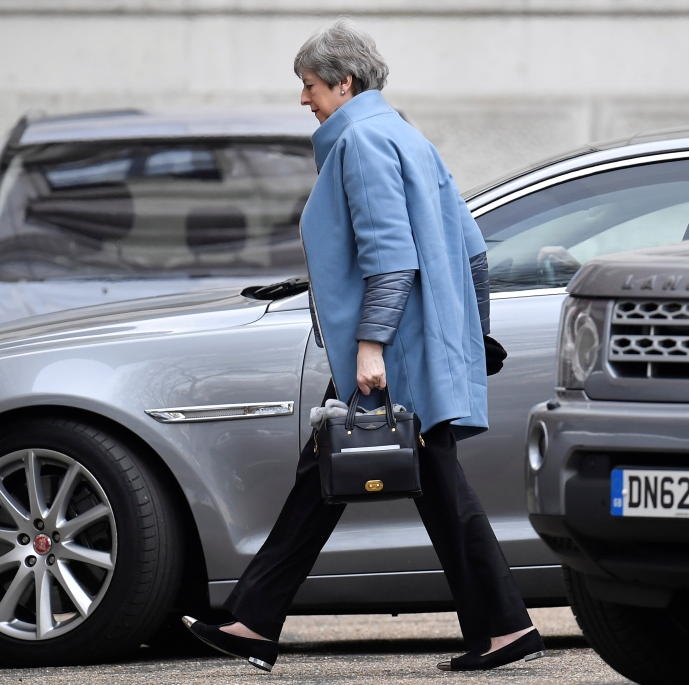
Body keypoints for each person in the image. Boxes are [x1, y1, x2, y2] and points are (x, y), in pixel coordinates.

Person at [182, 18, 546, 673]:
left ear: (344, 84)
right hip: (415, 345)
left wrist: (372, 346)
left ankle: (500, 626)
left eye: (311, 85)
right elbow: (473, 253)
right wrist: (471, 335)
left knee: (386, 477)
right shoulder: (407, 136)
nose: (304, 100)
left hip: (390, 351)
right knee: (336, 476)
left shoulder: (361, 144)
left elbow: (390, 257)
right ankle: (254, 619)